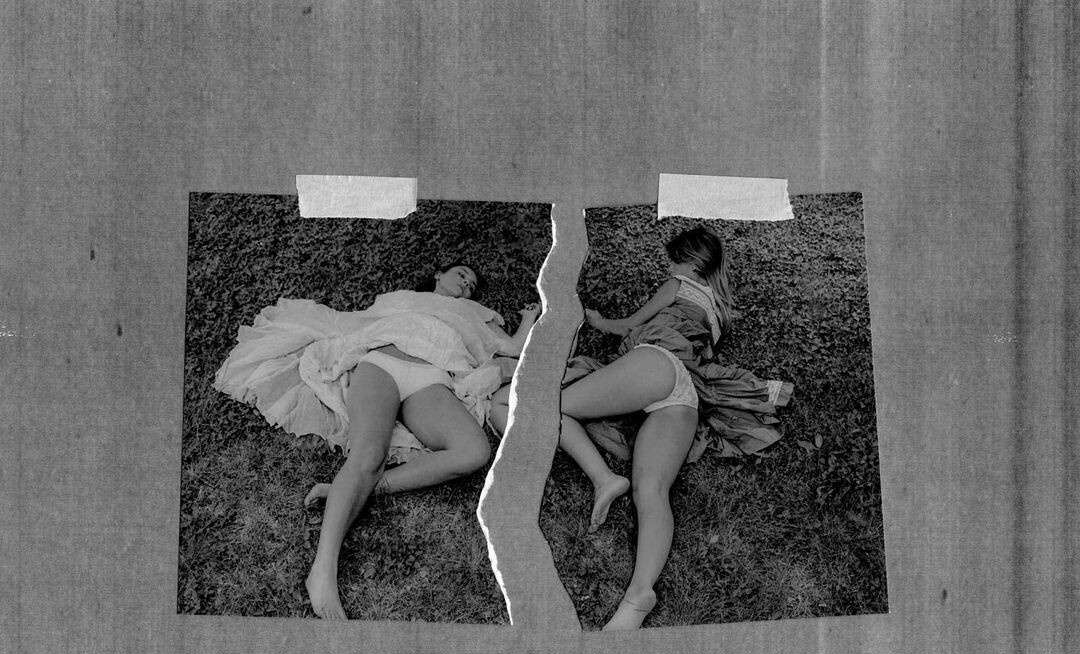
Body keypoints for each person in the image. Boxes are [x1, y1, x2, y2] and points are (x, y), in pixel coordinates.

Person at [214, 263, 540, 620]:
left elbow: (512, 347)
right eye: (461, 273)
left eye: (472, 284)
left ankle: (364, 488)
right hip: (382, 364)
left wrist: (529, 318)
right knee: (368, 455)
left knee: (474, 451)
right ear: (437, 274)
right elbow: (357, 324)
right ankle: (322, 570)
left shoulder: (473, 313)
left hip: (431, 379)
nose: (466, 283)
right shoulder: (401, 298)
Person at [539, 227, 791, 630]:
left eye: (673, 261)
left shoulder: (677, 285)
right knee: (652, 490)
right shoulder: (718, 309)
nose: (669, 268)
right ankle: (639, 595)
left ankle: (604, 479)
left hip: (656, 364)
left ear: (690, 264)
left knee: (545, 409)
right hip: (685, 396)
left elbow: (628, 326)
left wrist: (598, 319)